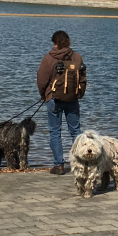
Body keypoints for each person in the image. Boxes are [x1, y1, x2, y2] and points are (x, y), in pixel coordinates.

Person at [37, 30, 87, 175]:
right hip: (72, 98)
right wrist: (79, 94)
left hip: (54, 99)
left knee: (55, 131)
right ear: (68, 41)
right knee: (75, 131)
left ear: (55, 43)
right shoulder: (77, 57)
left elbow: (41, 80)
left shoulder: (48, 58)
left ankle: (59, 165)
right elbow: (83, 76)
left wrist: (43, 95)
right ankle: (81, 163)